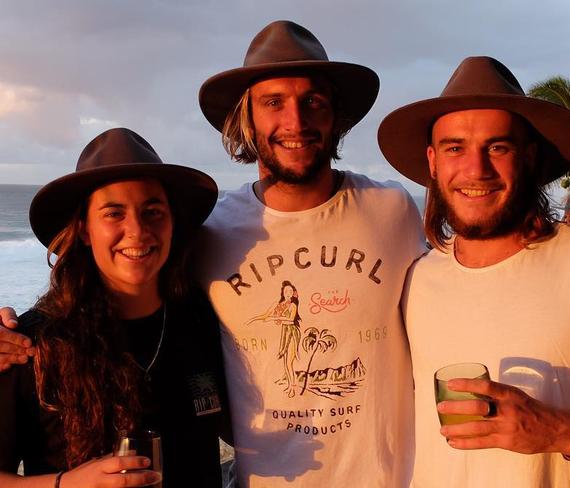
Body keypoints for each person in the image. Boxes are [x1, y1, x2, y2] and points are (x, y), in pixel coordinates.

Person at [1, 20, 426, 487]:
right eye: (273, 102)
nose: (296, 121)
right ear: (248, 118)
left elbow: (458, 278)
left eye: (313, 102)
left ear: (335, 115)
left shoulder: (393, 211)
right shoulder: (212, 236)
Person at [378, 56, 570, 487]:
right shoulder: (418, 279)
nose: (476, 169)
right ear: (433, 162)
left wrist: (563, 431)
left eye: (497, 147)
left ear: (530, 157)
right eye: (455, 148)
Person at [0, 128, 230, 487]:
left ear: (173, 223)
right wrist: (69, 483)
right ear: (85, 230)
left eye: (153, 211)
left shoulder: (202, 320)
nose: (137, 231)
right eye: (113, 213)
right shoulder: (31, 346)